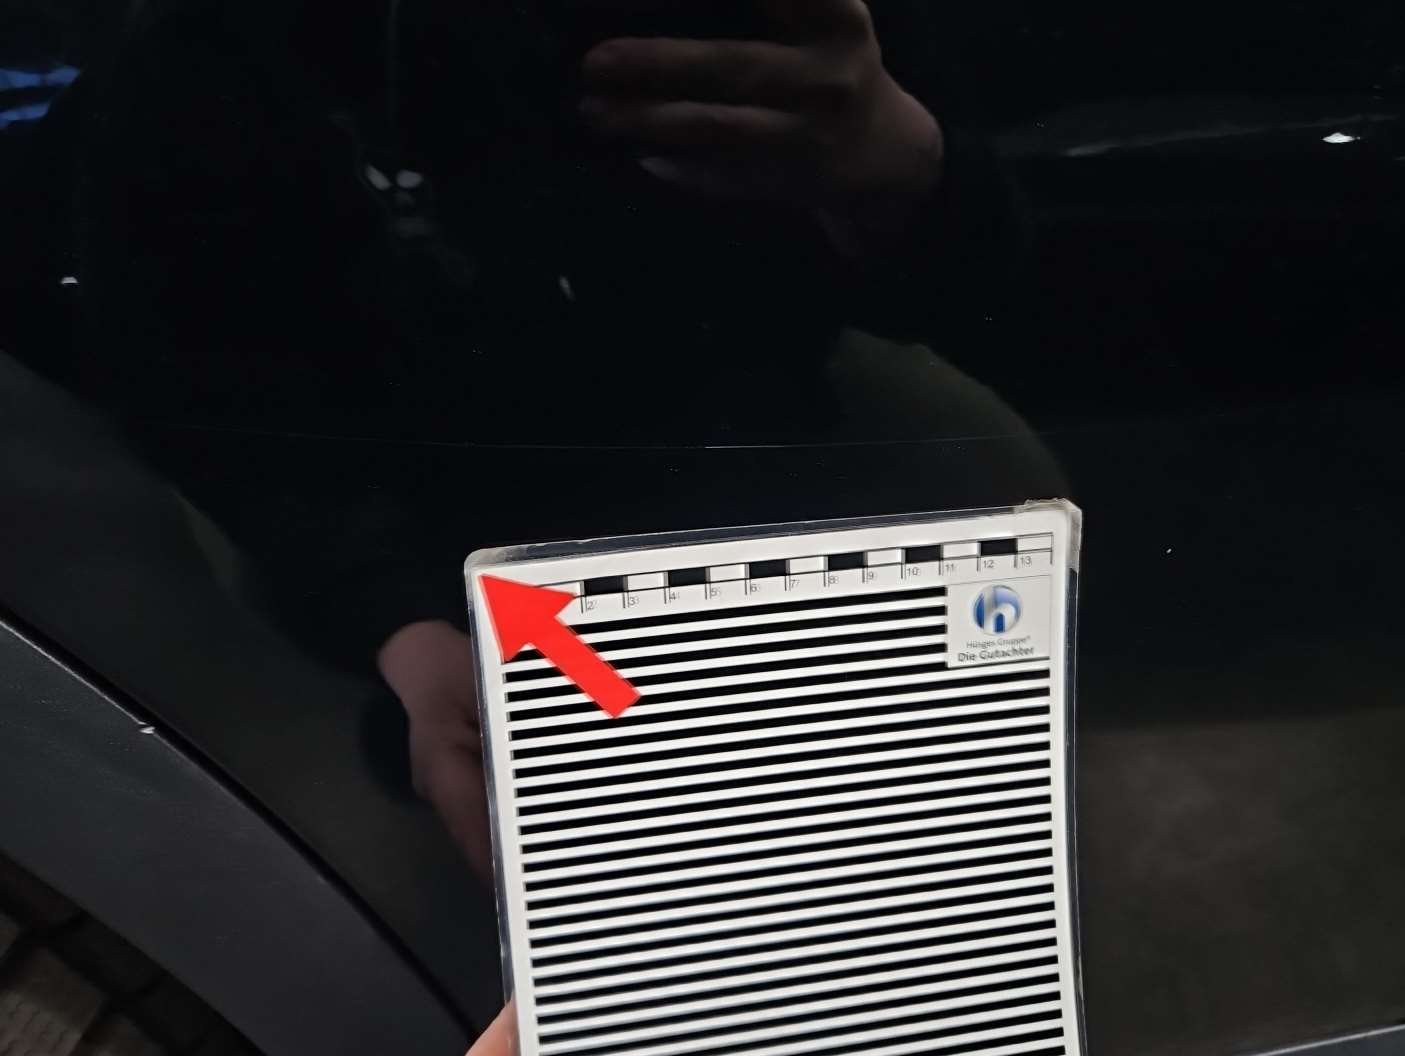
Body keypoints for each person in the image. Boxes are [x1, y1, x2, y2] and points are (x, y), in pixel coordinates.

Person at [73, 0, 1052, 881]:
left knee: (994, 480)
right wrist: (399, 625)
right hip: (386, 484)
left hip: (738, 406)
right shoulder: (197, 62)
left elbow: (998, 294)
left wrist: (899, 166)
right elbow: (199, 384)